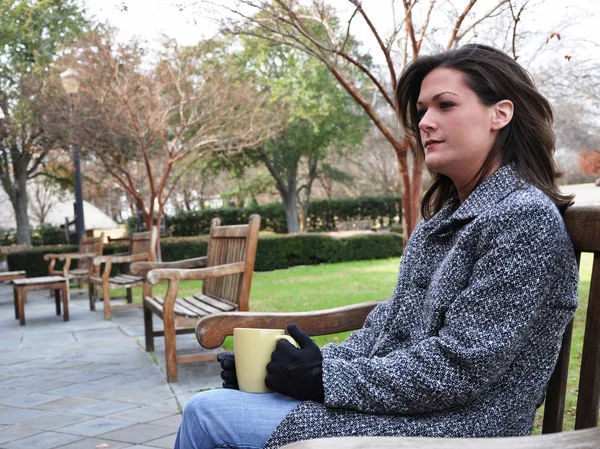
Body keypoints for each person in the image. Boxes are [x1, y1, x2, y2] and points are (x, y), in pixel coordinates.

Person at [174, 43, 579, 449]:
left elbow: (463, 368)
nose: (425, 122)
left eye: (445, 105)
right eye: (422, 111)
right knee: (218, 403)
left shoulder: (523, 219)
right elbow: (390, 329)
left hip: (459, 431)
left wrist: (321, 379)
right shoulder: (444, 221)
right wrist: (286, 367)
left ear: (500, 114)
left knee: (207, 415)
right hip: (410, 413)